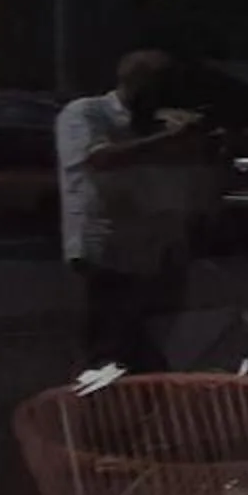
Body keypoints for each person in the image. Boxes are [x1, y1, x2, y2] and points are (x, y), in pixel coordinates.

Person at [54, 50, 206, 371]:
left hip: (151, 251)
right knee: (105, 343)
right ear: (135, 82)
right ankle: (95, 410)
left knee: (143, 340)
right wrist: (165, 139)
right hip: (104, 248)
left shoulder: (152, 124)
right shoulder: (86, 113)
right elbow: (99, 159)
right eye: (159, 88)